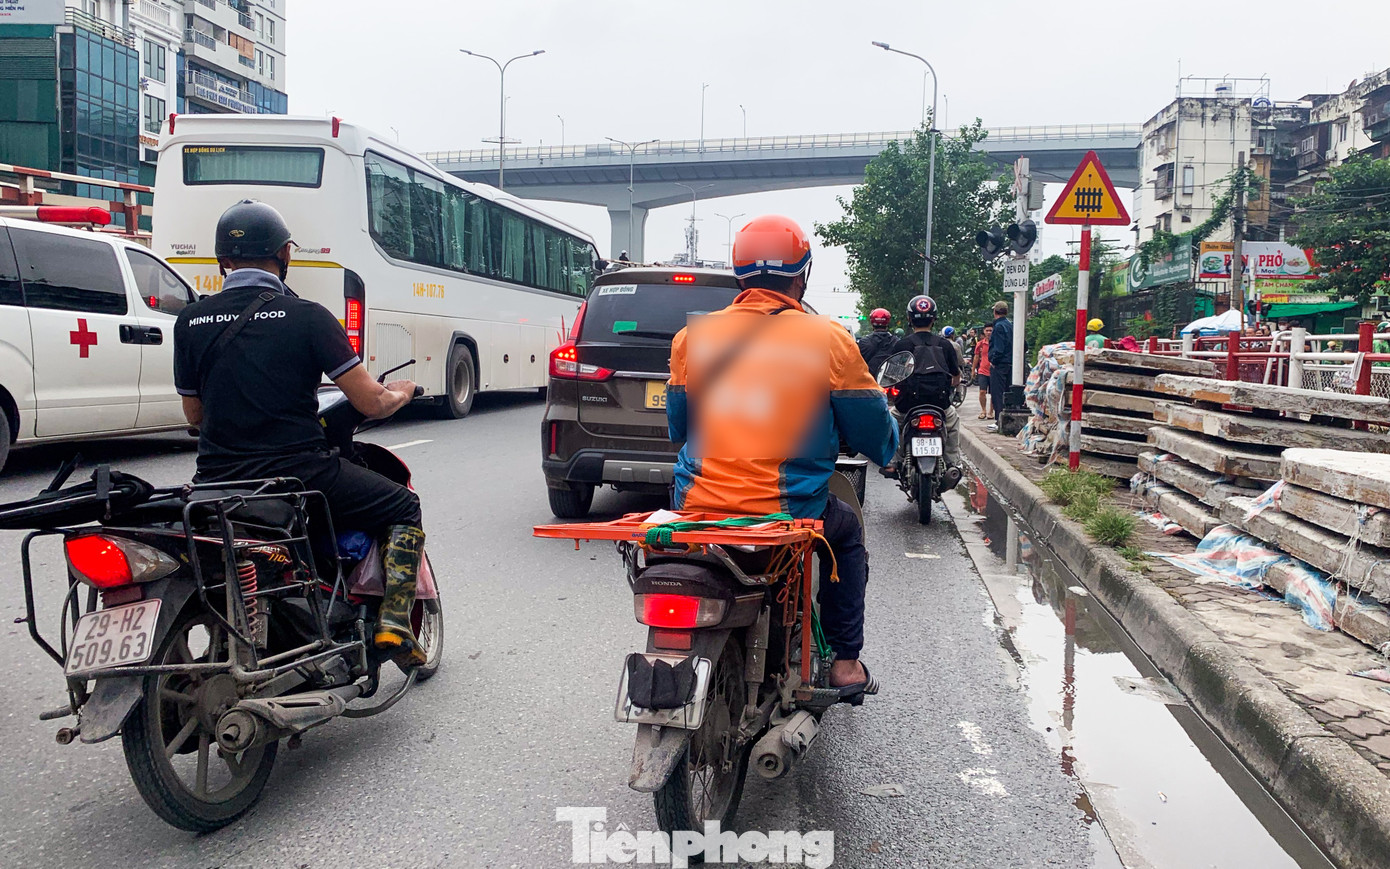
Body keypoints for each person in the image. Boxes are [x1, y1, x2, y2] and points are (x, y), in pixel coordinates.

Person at [173, 200, 429, 665]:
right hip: (299, 474)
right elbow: (369, 401)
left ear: (222, 261)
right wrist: (402, 394)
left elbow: (194, 415)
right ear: (284, 255)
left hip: (217, 482)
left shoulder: (190, 321)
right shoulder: (309, 317)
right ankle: (394, 624)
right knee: (403, 504)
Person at [666, 214, 896, 700]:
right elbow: (873, 432)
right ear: (802, 275)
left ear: (739, 276)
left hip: (697, 505)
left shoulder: (694, 338)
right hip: (789, 512)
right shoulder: (827, 338)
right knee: (848, 533)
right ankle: (846, 664)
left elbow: (678, 429)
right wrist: (887, 450)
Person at [886, 295, 962, 488]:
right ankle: (953, 463)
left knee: (892, 421)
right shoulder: (945, 345)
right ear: (934, 319)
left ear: (910, 319)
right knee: (952, 422)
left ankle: (894, 461)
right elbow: (956, 377)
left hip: (907, 405)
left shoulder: (901, 345)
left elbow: (893, 376)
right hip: (939, 404)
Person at [987, 300, 1013, 431]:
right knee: (1008, 393)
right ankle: (1007, 421)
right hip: (1012, 364)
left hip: (1000, 364)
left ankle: (999, 421)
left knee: (997, 393)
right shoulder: (1011, 325)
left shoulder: (998, 327)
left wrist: (993, 361)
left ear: (995, 312)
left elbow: (998, 348)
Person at [857, 307, 896, 376]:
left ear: (872, 322)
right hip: (890, 381)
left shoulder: (863, 342)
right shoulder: (896, 342)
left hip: (869, 382)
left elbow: (858, 364)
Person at [974, 324, 994, 419]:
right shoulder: (980, 344)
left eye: (991, 330)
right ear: (984, 331)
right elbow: (976, 356)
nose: (989, 332)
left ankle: (991, 411)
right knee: (982, 391)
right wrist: (973, 369)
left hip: (994, 371)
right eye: (987, 330)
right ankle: (983, 410)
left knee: (993, 393)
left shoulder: (995, 343)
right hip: (982, 370)